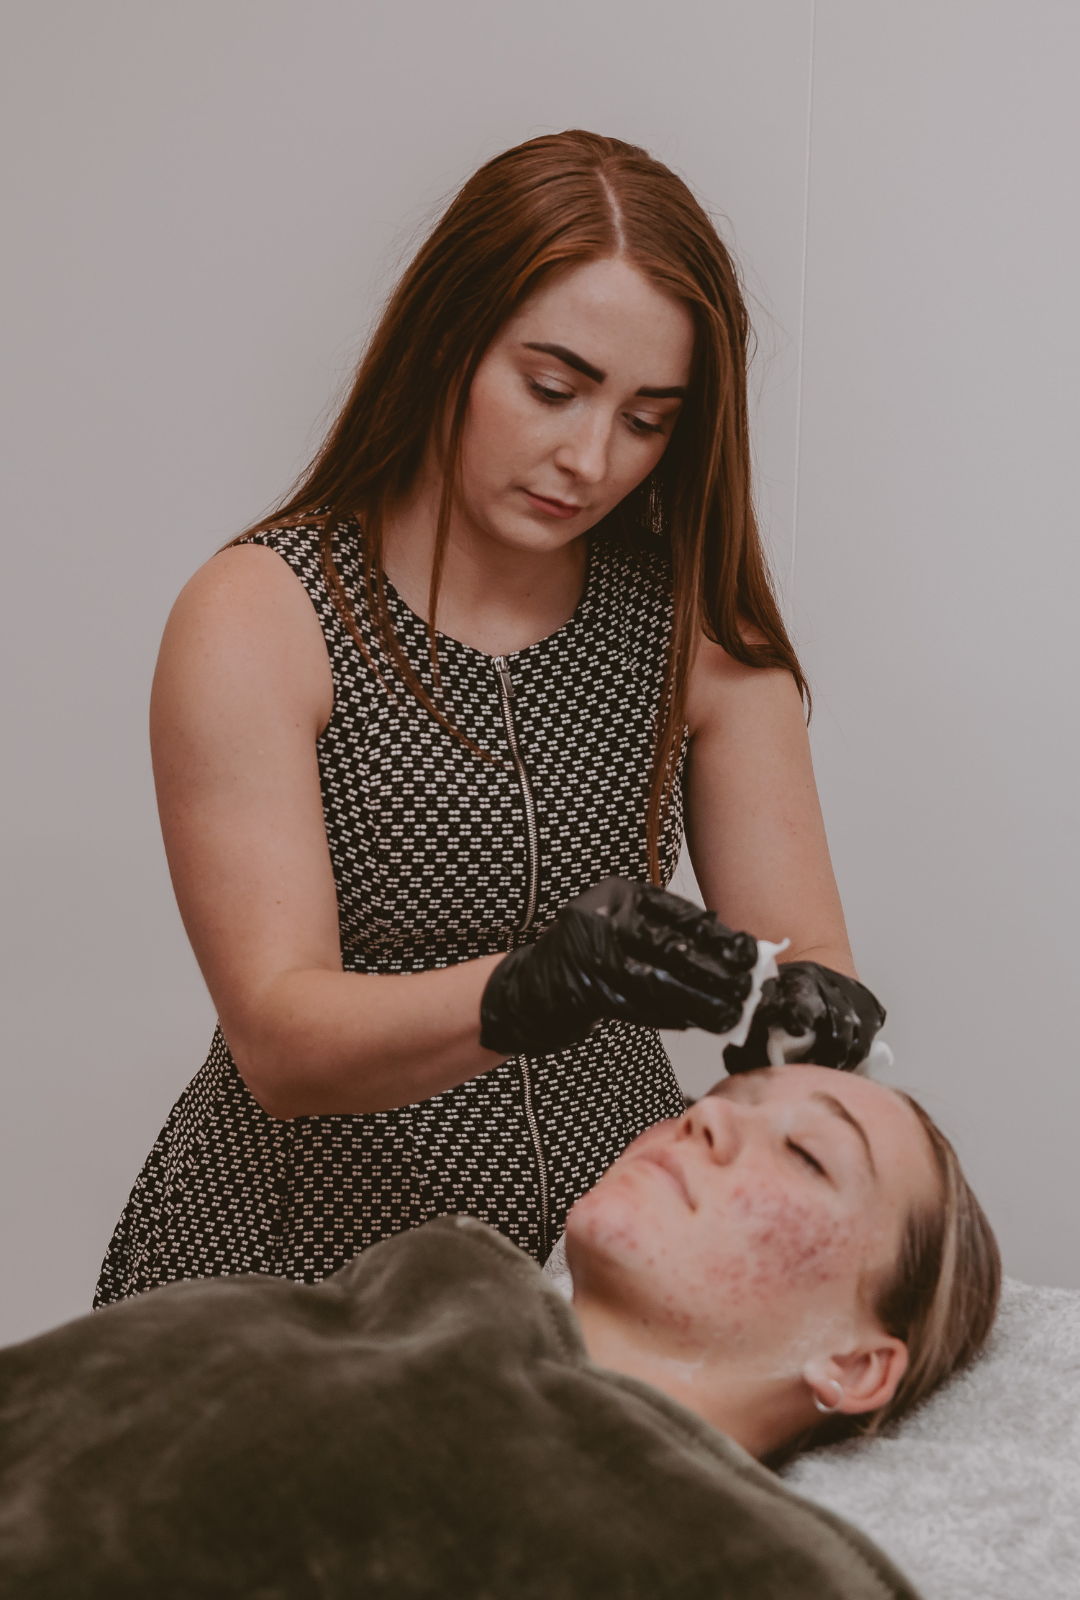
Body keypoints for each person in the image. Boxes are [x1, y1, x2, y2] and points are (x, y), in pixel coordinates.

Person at [95, 130, 888, 1308]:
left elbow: (807, 954)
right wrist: (535, 988)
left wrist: (819, 1022)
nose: (589, 457)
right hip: (291, 1282)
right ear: (448, 343)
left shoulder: (700, 636)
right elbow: (280, 1039)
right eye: (553, 388)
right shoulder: (263, 615)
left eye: (648, 418)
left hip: (594, 1276)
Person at [7, 1069, 999, 1597]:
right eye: (725, 1099)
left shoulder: (768, 1571)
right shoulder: (283, 1311)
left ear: (856, 1362)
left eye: (809, 1154)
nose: (706, 1120)